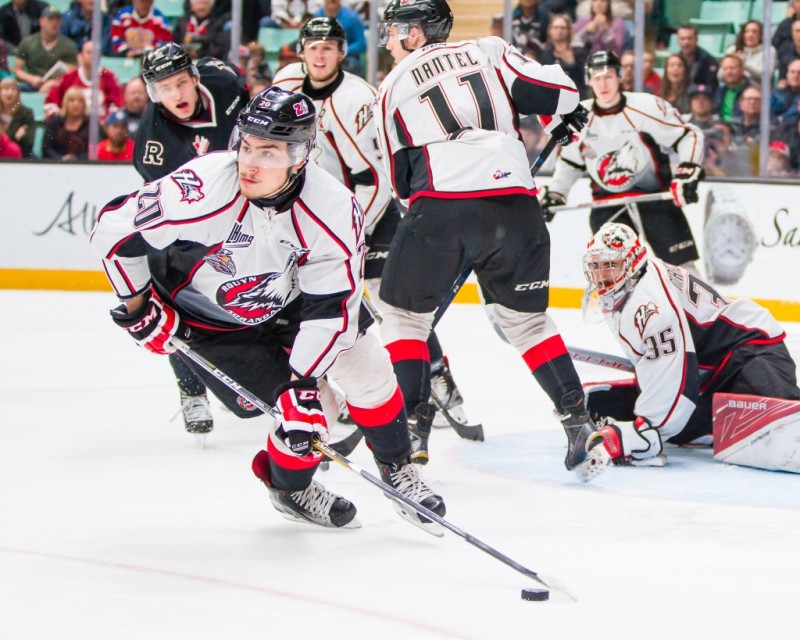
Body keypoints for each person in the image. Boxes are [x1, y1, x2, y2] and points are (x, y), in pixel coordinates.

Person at [90, 86, 447, 530]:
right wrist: (139, 307)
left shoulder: (333, 208)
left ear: (300, 156)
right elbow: (112, 229)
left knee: (367, 371)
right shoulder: (202, 187)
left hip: (293, 301)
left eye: (270, 151)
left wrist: (301, 382)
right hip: (209, 320)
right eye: (247, 144)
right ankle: (291, 490)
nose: (251, 162)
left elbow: (330, 311)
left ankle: (398, 469)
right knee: (316, 413)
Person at [374, 0, 610, 479]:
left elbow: (399, 179)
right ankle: (577, 419)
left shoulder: (392, 86)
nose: (389, 42)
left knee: (403, 316)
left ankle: (412, 429)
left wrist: (439, 218)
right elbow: (560, 91)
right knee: (527, 324)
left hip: (440, 207)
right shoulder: (488, 49)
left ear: (418, 34)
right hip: (516, 206)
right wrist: (556, 119)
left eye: (396, 32)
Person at [272, 16, 474, 443]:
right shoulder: (287, 84)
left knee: (395, 309)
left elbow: (377, 178)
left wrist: (351, 230)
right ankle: (335, 395)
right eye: (313, 46)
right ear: (301, 51)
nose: (320, 54)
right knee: (320, 308)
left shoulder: (357, 99)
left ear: (343, 53)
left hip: (370, 217)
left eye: (329, 47)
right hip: (317, 220)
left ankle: (437, 376)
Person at [580, 222, 800, 466]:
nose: (602, 275)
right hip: (707, 371)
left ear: (632, 262)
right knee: (679, 430)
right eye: (596, 266)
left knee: (789, 426)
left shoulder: (652, 305)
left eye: (611, 265)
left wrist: (646, 432)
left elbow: (674, 372)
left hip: (751, 349)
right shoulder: (630, 284)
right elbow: (660, 360)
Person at [133, 42, 247, 435]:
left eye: (181, 83)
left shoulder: (225, 80)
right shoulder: (153, 142)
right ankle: (191, 389)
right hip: (184, 224)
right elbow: (168, 210)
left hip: (243, 203)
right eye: (164, 88)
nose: (176, 95)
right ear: (153, 93)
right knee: (174, 299)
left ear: (196, 78)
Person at [541, 50, 705, 271]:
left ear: (620, 77)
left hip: (654, 200)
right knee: (612, 274)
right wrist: (556, 194)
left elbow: (688, 135)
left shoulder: (645, 106)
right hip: (608, 207)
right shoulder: (579, 115)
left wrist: (688, 170)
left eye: (608, 76)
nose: (603, 83)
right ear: (589, 80)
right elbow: (571, 162)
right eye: (597, 77)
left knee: (684, 271)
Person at [44, 39, 123, 120]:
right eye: (89, 52)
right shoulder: (68, 78)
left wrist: (107, 122)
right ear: (81, 56)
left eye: (96, 53)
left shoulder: (110, 78)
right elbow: (50, 103)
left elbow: (118, 106)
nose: (92, 56)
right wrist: (61, 118)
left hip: (101, 128)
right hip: (73, 128)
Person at [12, 6, 78, 93]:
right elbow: (17, 69)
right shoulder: (28, 42)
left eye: (57, 19)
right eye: (50, 19)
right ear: (41, 21)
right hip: (32, 84)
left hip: (57, 85)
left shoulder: (69, 45)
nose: (54, 23)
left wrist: (53, 83)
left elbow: (72, 72)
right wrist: (31, 79)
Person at [539, 12, 588, 99]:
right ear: (549, 30)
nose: (559, 31)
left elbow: (584, 79)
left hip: (576, 96)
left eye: (563, 28)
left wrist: (571, 63)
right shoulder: (545, 53)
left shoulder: (579, 51)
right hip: (551, 97)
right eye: (556, 27)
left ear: (569, 31)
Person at [313, 0, 365, 76]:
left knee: (351, 64)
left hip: (345, 58)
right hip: (321, 55)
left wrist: (341, 51)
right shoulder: (316, 16)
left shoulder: (352, 17)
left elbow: (361, 44)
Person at [41, 84, 91, 159]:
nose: (76, 104)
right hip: (56, 165)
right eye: (72, 100)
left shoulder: (91, 124)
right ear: (65, 103)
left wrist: (77, 159)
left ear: (84, 104)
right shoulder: (54, 123)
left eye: (80, 101)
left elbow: (97, 149)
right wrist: (60, 159)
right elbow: (46, 149)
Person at [724, 20, 775, 87]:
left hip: (757, 89)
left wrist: (743, 64)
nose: (750, 35)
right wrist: (731, 67)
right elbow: (720, 76)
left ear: (761, 35)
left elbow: (766, 76)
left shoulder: (769, 50)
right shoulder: (732, 50)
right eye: (746, 31)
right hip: (734, 88)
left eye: (754, 32)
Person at [676, 23, 719, 93]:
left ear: (696, 39)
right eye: (682, 39)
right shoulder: (675, 59)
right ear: (678, 40)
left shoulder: (708, 61)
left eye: (689, 38)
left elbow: (711, 88)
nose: (686, 42)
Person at [0, 75, 35, 156]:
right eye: (6, 89)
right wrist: (15, 137)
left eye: (13, 89)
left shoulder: (27, 113)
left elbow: (30, 142)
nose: (9, 93)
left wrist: (23, 136)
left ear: (18, 94)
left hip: (21, 155)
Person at [714, 54, 753, 123]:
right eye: (725, 69)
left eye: (732, 68)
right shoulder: (719, 91)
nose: (729, 72)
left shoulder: (752, 92)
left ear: (742, 70)